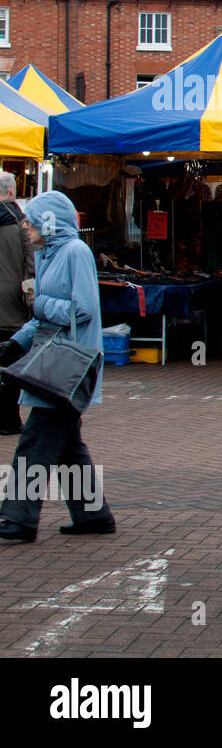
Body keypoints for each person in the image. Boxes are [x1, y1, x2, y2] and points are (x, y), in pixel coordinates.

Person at [0, 192, 115, 543]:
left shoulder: (74, 252)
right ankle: (92, 515)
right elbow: (50, 312)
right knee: (67, 445)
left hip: (67, 366)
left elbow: (82, 309)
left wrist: (38, 305)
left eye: (32, 220)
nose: (25, 226)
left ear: (49, 223)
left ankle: (18, 519)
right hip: (57, 364)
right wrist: (17, 342)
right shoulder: (50, 253)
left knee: (35, 442)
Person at [0, 172, 34, 435]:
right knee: (11, 364)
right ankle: (9, 419)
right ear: (12, 192)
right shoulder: (21, 223)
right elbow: (30, 267)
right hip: (12, 304)